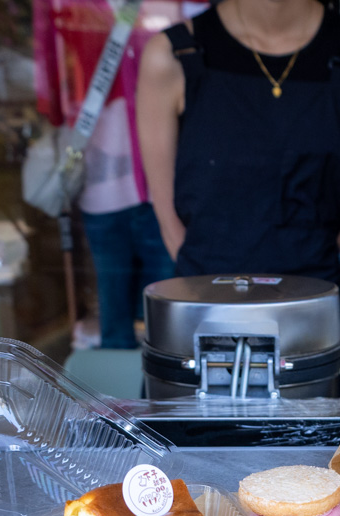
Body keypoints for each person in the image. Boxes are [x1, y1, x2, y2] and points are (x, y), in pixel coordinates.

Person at [136, 0, 340, 395]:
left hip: (313, 340)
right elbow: (171, 224)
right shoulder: (172, 55)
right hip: (200, 338)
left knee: (319, 458)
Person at [34, 0, 204, 349]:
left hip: (165, 187)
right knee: (114, 312)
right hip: (101, 186)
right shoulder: (68, 7)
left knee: (170, 318)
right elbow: (50, 91)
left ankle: (163, 394)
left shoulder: (169, 6)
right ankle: (116, 404)